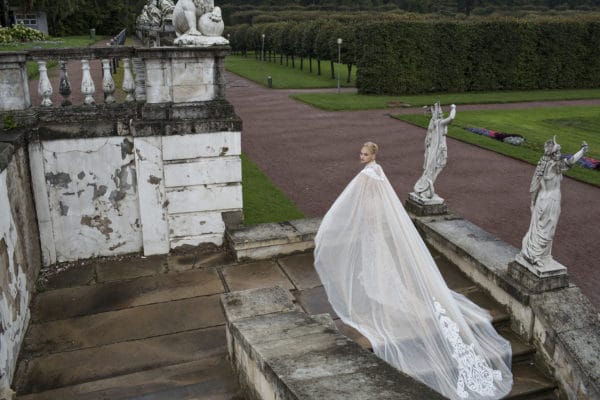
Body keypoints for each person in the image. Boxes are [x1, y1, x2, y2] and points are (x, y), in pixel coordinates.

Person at [314, 142, 513, 400]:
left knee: (377, 261)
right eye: (361, 153)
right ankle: (382, 285)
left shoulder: (367, 174)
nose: (360, 157)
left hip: (372, 223)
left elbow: (356, 201)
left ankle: (382, 288)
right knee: (380, 260)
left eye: (364, 154)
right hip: (375, 223)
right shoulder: (378, 171)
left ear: (372, 155)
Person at [518, 137, 588, 268]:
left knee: (545, 229)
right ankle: (535, 255)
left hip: (549, 200)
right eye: (556, 153)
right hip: (548, 201)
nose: (559, 155)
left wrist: (582, 151)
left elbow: (534, 185)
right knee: (545, 230)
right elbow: (570, 162)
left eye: (559, 152)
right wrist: (582, 151)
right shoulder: (553, 165)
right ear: (551, 154)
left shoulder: (548, 164)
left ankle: (541, 254)